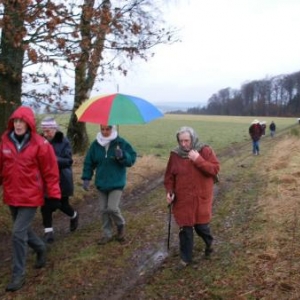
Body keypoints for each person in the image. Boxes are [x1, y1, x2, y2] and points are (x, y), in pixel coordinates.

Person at [0, 106, 61, 292]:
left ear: (29, 123)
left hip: (31, 195)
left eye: (22, 121)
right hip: (11, 194)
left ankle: (18, 274)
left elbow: (50, 171)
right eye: (15, 121)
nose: (18, 125)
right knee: (23, 231)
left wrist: (54, 194)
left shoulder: (41, 144)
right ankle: (40, 247)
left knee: (18, 233)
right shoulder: (4, 141)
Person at [164, 126, 220, 270]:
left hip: (201, 196)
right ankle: (185, 259)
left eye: (187, 141)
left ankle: (210, 244)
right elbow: (169, 176)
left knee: (201, 227)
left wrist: (198, 159)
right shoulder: (175, 154)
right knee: (185, 229)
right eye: (181, 141)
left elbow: (214, 169)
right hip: (182, 199)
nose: (184, 144)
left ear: (193, 139)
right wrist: (170, 191)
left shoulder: (205, 150)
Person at [81, 124, 137, 245]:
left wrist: (122, 156)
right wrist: (86, 177)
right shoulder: (96, 145)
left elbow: (131, 159)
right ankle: (107, 234)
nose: (105, 131)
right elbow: (88, 162)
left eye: (108, 129)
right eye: (102, 129)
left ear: (113, 129)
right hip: (101, 183)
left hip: (116, 182)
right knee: (103, 210)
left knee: (112, 208)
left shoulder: (121, 142)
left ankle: (120, 224)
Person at [40, 117, 79, 243]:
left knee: (62, 205)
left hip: (62, 179)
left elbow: (68, 161)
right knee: (45, 206)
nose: (46, 134)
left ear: (55, 129)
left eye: (49, 131)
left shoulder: (64, 141)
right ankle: (48, 233)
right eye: (44, 131)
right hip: (45, 180)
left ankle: (74, 215)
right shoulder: (39, 141)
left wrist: (53, 159)